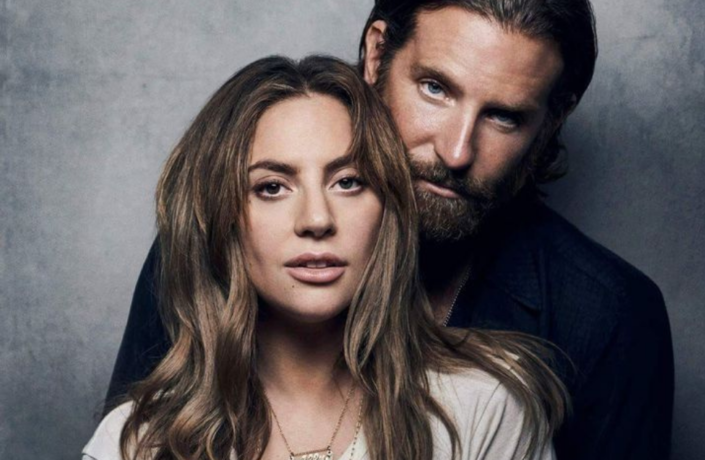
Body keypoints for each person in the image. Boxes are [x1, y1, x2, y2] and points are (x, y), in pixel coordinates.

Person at [107, 1, 674, 459]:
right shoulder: (221, 246)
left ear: (553, 117)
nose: (456, 151)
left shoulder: (608, 315)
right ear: (377, 55)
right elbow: (150, 427)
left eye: (504, 116)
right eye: (435, 88)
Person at [85, 55, 566, 460]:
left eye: (348, 182)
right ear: (221, 218)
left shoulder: (483, 407)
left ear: (390, 209)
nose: (316, 219)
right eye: (272, 187)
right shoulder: (139, 442)